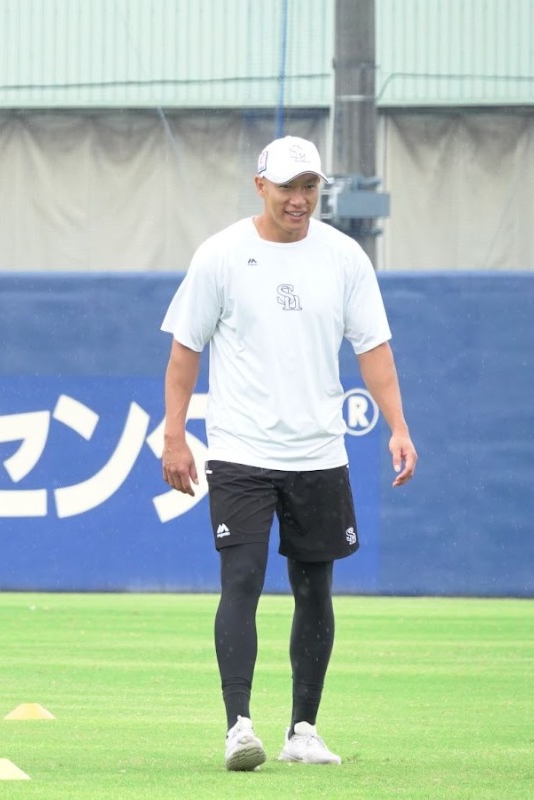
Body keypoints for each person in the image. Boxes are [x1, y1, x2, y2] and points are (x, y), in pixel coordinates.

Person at [159, 136, 417, 772]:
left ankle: (303, 730)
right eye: (287, 188)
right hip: (242, 451)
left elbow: (374, 349)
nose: (299, 200)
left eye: (310, 188)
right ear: (260, 187)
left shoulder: (345, 258)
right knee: (241, 581)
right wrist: (173, 435)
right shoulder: (220, 255)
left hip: (320, 453)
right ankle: (238, 727)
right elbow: (184, 350)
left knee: (315, 591)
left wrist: (399, 426)